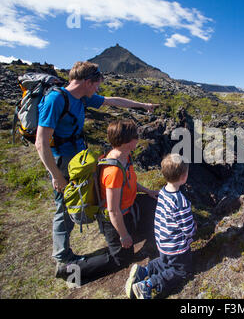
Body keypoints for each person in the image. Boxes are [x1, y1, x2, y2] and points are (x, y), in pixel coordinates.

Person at [35, 61, 158, 269]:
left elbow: (113, 101)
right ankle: (62, 258)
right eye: (96, 84)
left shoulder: (83, 97)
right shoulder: (56, 99)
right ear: (86, 81)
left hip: (81, 160)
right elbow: (41, 142)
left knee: (93, 196)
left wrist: (142, 105)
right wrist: (56, 175)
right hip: (63, 162)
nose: (98, 89)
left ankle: (112, 231)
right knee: (65, 207)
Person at [55, 119, 159, 283]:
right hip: (113, 219)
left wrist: (148, 191)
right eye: (135, 136)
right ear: (127, 142)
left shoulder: (125, 156)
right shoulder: (113, 171)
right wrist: (124, 235)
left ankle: (138, 230)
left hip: (130, 207)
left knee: (155, 205)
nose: (138, 138)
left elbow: (129, 182)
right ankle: (70, 271)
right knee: (122, 260)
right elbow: (113, 210)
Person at [125, 153, 196, 299]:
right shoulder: (180, 201)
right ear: (184, 176)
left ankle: (143, 271)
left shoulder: (163, 192)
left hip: (163, 243)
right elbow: (188, 229)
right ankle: (148, 285)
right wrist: (194, 227)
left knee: (165, 262)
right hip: (176, 248)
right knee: (181, 271)